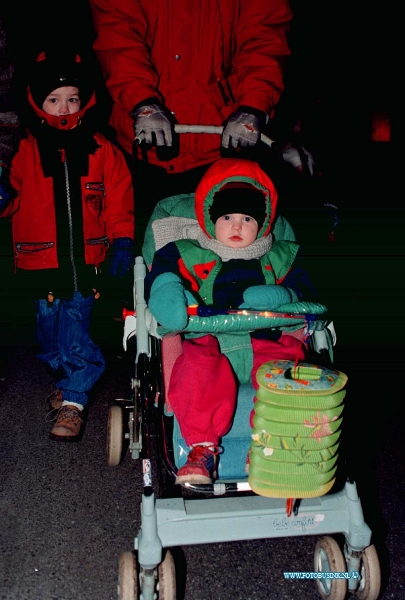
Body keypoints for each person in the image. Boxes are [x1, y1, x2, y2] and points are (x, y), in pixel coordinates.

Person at [144, 158, 317, 484]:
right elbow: (161, 275)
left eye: (247, 218)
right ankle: (201, 446)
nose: (236, 227)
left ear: (264, 222)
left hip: (267, 334)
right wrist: (167, 295)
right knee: (195, 368)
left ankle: (272, 446)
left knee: (289, 372)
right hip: (206, 336)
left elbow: (305, 289)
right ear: (208, 218)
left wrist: (284, 296)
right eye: (226, 217)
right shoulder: (184, 251)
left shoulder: (282, 254)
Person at [0, 49, 135, 441]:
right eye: (54, 99)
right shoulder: (23, 149)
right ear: (37, 103)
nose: (64, 107)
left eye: (72, 98)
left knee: (78, 335)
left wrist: (122, 239)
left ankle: (75, 400)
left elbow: (118, 198)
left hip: (85, 264)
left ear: (86, 101)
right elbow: (11, 203)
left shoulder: (100, 147)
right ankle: (65, 377)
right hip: (39, 264)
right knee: (50, 337)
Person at [88, 0, 293, 250]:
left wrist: (253, 105)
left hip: (222, 146)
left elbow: (263, 37)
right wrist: (141, 100)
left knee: (232, 254)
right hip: (142, 148)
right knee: (145, 255)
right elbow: (117, 36)